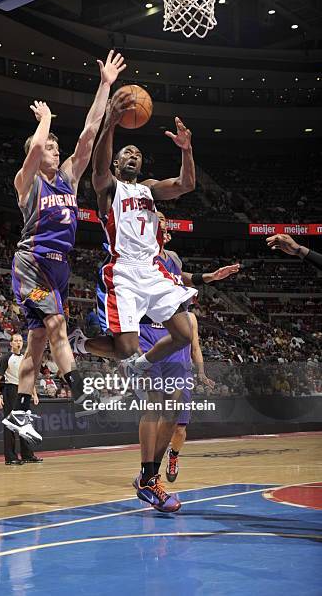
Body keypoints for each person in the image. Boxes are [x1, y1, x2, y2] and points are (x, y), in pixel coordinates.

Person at [72, 213, 238, 511]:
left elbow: (180, 279)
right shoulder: (135, 249)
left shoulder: (172, 256)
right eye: (154, 216)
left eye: (162, 217)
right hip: (145, 327)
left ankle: (150, 475)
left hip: (173, 336)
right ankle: (150, 479)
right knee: (152, 402)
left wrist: (207, 278)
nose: (159, 219)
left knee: (172, 413)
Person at [4, 50, 126, 446]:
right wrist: (46, 122)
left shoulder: (68, 179)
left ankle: (20, 410)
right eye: (51, 148)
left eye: (58, 148)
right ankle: (79, 389)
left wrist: (105, 85)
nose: (56, 152)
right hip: (31, 267)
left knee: (38, 343)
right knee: (56, 325)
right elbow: (36, 151)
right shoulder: (28, 182)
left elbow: (90, 132)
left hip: (59, 270)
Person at [70, 92, 199, 380]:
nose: (133, 156)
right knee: (126, 348)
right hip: (124, 271)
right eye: (127, 152)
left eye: (138, 154)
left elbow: (186, 184)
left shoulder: (149, 188)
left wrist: (186, 150)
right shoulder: (109, 188)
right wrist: (111, 123)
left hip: (153, 270)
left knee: (184, 334)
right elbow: (98, 168)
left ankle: (140, 365)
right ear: (116, 163)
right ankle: (81, 343)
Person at [165, 313, 215, 483]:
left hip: (182, 374)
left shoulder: (190, 317)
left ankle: (173, 455)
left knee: (179, 429)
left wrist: (201, 373)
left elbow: (195, 348)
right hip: (159, 372)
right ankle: (149, 474)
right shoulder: (155, 310)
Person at [0, 334, 41, 465]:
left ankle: (27, 455)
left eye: (20, 341)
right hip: (11, 390)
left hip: (24, 391)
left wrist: (34, 393)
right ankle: (10, 457)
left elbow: (29, 377)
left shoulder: (26, 358)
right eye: (15, 341)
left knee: (25, 423)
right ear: (11, 344)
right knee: (10, 424)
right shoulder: (5, 358)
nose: (18, 343)